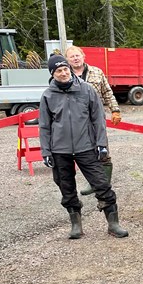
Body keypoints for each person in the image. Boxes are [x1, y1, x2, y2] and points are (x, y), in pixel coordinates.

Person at [39, 54, 128, 239]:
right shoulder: (48, 95)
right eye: (58, 71)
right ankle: (76, 225)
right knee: (66, 187)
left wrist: (101, 143)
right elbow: (45, 125)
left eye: (65, 69)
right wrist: (46, 151)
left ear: (70, 70)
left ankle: (113, 224)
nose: (63, 73)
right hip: (59, 150)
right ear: (52, 74)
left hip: (86, 146)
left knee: (101, 184)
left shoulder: (86, 90)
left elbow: (98, 119)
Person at [64, 45, 121, 195]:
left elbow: (107, 92)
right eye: (72, 57)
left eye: (77, 55)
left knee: (103, 150)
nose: (75, 58)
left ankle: (103, 184)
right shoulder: (65, 75)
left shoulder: (97, 72)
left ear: (83, 56)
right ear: (67, 60)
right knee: (84, 151)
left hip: (96, 118)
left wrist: (114, 110)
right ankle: (93, 182)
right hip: (76, 120)